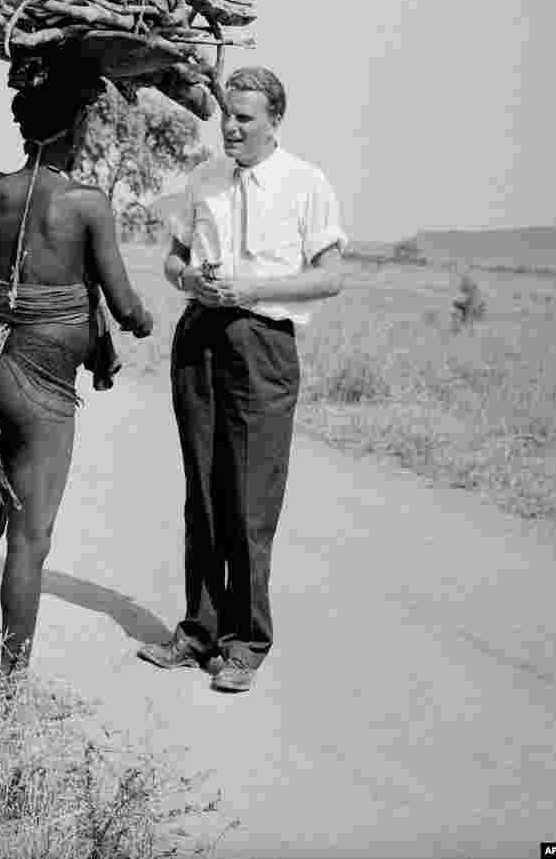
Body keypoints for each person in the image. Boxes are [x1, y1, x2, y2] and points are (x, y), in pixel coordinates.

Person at [0, 50, 153, 672]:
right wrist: (142, 320)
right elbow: (125, 304)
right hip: (44, 387)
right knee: (30, 540)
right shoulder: (87, 204)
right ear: (72, 129)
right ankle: (7, 686)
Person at [138, 66, 347, 692]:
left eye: (245, 117)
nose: (230, 124)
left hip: (262, 344)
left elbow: (330, 277)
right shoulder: (202, 180)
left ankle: (246, 642)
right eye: (227, 112)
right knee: (201, 491)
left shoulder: (307, 184)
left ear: (274, 121)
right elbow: (173, 259)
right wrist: (187, 280)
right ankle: (197, 631)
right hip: (200, 337)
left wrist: (255, 288)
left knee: (249, 500)